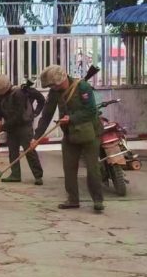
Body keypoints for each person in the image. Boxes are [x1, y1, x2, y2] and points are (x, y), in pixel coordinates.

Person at [35, 64, 105, 213]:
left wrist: (71, 118)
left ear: (60, 80)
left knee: (93, 169)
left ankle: (98, 200)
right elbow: (46, 115)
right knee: (69, 168)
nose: (52, 88)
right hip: (70, 134)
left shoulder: (83, 87)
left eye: (52, 85)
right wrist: (36, 137)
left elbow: (91, 111)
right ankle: (73, 199)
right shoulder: (55, 93)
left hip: (90, 133)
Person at [0, 74, 45, 185]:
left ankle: (38, 175)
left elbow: (18, 116)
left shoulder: (18, 93)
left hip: (23, 123)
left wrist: (2, 128)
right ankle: (15, 174)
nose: (0, 96)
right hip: (10, 125)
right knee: (12, 149)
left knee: (29, 149)